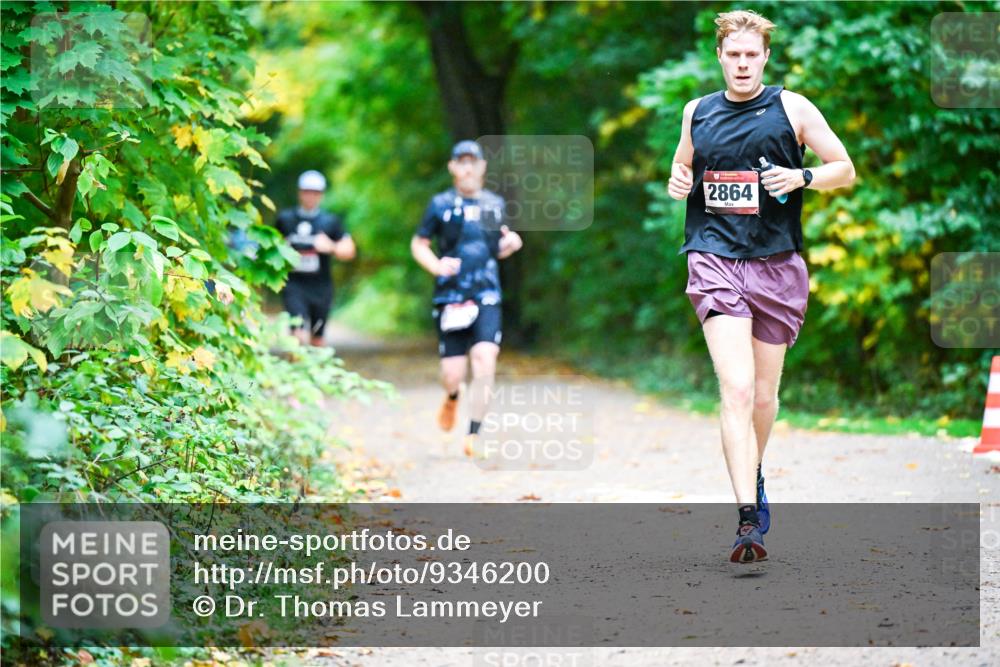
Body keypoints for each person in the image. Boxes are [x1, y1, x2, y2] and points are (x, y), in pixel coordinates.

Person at [666, 10, 855, 563]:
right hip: (714, 259)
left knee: (766, 397)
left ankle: (754, 471)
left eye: (753, 55)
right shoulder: (696, 111)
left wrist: (802, 177)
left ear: (765, 58)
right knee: (738, 389)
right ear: (721, 57)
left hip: (776, 265)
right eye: (734, 55)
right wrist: (678, 181)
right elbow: (682, 172)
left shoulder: (791, 107)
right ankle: (747, 519)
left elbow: (843, 167)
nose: (743, 64)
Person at [411, 140, 523, 456]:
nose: (468, 167)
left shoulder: (494, 204)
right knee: (453, 375)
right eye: (461, 162)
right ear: (452, 167)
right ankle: (451, 398)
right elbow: (419, 243)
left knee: (486, 358)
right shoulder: (440, 204)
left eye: (473, 161)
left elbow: (494, 249)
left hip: (486, 292)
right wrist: (436, 265)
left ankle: (474, 434)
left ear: (483, 166)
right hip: (451, 297)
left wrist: (511, 244)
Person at [274, 170, 356, 346]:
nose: (310, 196)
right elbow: (270, 248)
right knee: (297, 334)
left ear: (322, 195)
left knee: (317, 338)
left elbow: (349, 251)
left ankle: (316, 371)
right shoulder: (285, 219)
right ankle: (293, 372)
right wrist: (282, 249)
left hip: (321, 287)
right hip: (293, 284)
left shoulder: (330, 221)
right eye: (306, 191)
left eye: (315, 192)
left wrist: (331, 247)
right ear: (299, 192)